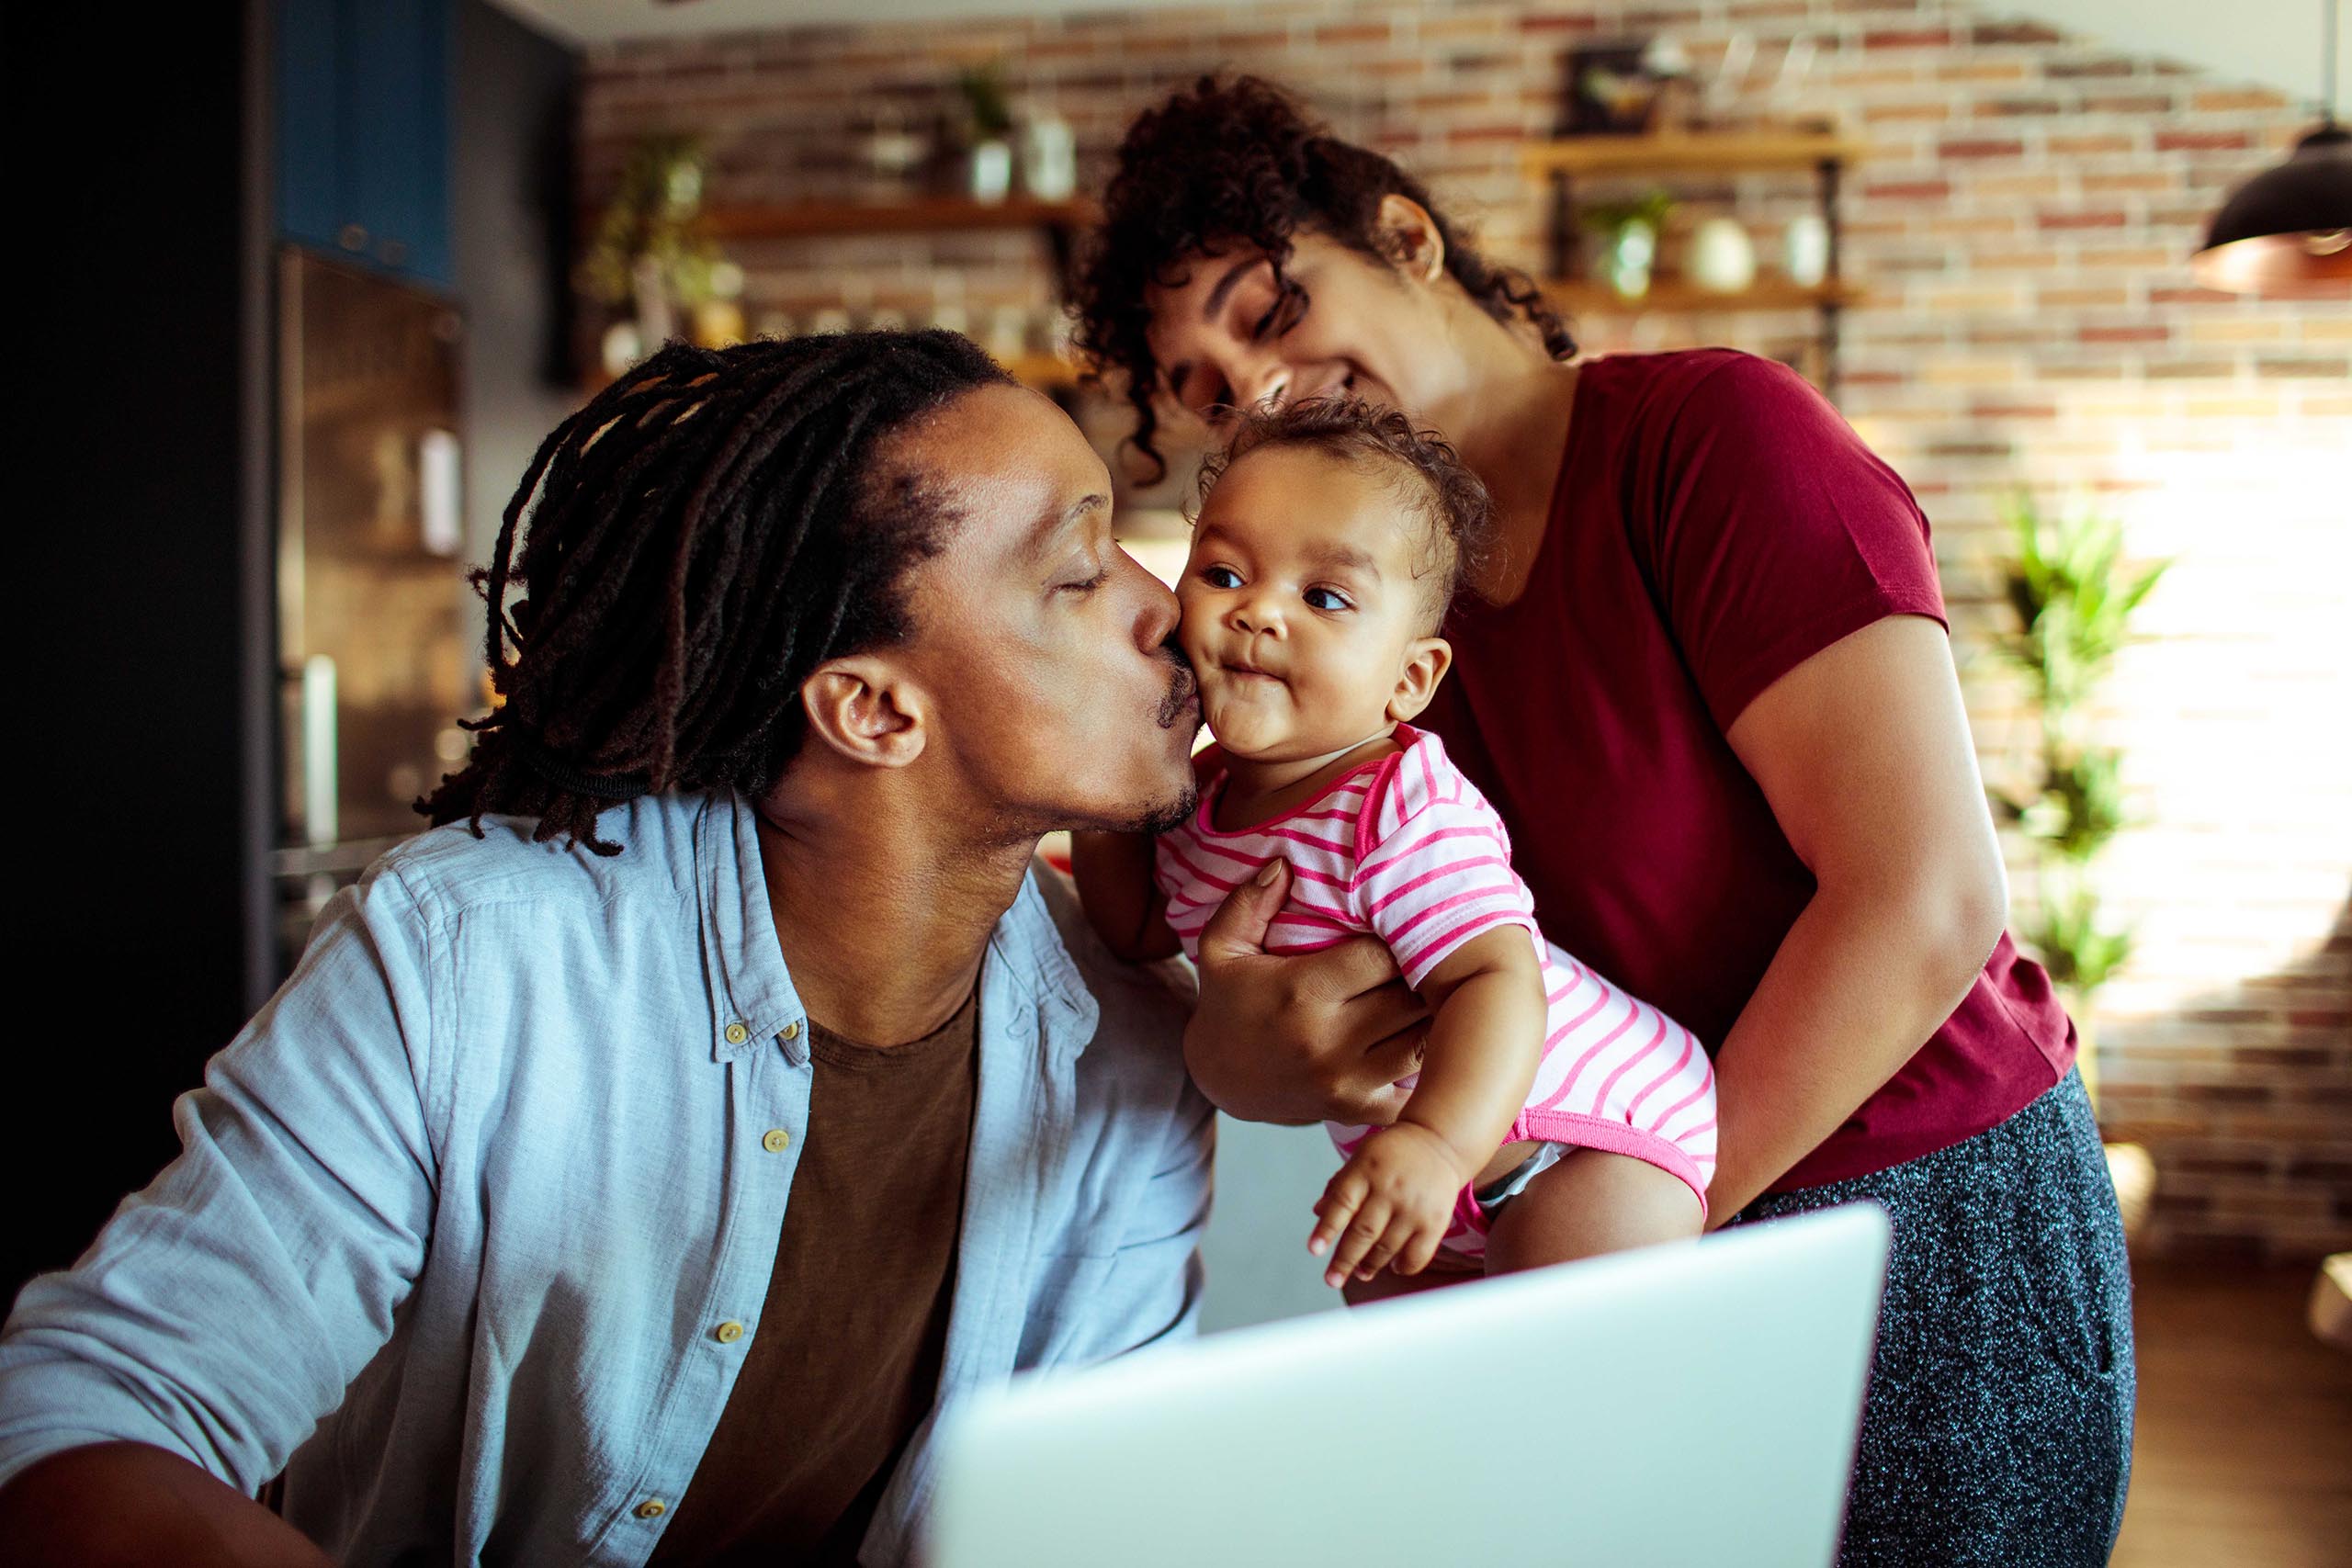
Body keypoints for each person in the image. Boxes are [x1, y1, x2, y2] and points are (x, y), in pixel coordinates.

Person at [1071, 77, 2133, 1564]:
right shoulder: (1352, 637)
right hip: (1602, 1228)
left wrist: (1631, 1257)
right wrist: (1247, 1053)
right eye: (1196, 389)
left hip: (1912, 1215)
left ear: (1405, 237)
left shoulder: (1710, 441)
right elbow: (1353, 965)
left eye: (1264, 312)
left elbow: (1923, 903)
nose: (1247, 389)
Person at [0, 331, 1215, 1568]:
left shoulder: (1134, 1046)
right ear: (874, 709)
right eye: (1078, 571)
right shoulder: (467, 964)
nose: (1166, 602)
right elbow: (85, 1417)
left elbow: (1084, 1513)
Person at [1077, 399, 1714, 1290]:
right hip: (1410, 1168)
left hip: (1583, 1137)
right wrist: (1110, 783)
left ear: (1409, 681)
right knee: (1412, 1389)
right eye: (1223, 574)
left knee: (1554, 1375)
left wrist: (1435, 1143)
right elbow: (1135, 927)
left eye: (1325, 597)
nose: (1259, 613)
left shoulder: (1399, 804)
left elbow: (1496, 978)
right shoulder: (1196, 799)